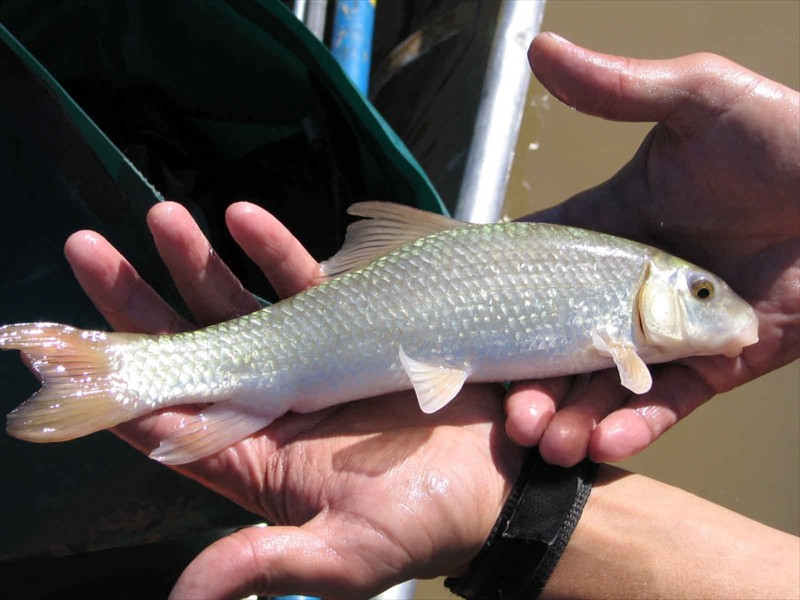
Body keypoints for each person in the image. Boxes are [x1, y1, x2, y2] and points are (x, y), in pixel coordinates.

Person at [61, 33, 798, 599]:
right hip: (337, 335)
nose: (721, 306)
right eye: (700, 292)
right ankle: (130, 373)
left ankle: (130, 372)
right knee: (223, 365)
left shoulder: (633, 312)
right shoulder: (625, 313)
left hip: (375, 350)